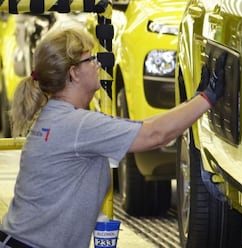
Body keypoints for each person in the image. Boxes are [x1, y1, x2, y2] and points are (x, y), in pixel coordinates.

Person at [0, 26, 227, 248]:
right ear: (73, 72)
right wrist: (207, 99)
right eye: (90, 59)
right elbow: (154, 134)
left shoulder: (59, 118)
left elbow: (144, 127)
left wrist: (194, 102)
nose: (98, 64)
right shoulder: (76, 125)